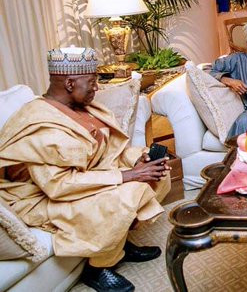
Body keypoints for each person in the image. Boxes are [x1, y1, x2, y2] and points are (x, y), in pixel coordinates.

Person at [0, 47, 171, 292]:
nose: (96, 88)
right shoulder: (39, 124)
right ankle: (98, 267)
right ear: (70, 82)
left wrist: (138, 160)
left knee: (157, 177)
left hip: (83, 181)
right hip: (40, 197)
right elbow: (58, 186)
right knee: (130, 194)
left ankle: (118, 244)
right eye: (91, 82)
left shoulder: (85, 109)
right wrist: (126, 176)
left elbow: (110, 152)